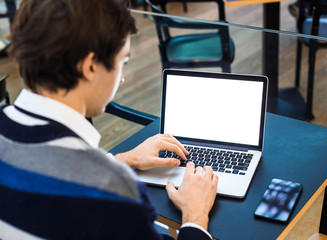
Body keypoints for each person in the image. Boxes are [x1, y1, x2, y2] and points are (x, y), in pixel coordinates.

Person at [0, 0, 218, 239]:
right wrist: (195, 217)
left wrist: (121, 160)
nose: (122, 78)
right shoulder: (112, 193)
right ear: (91, 66)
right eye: (122, 62)